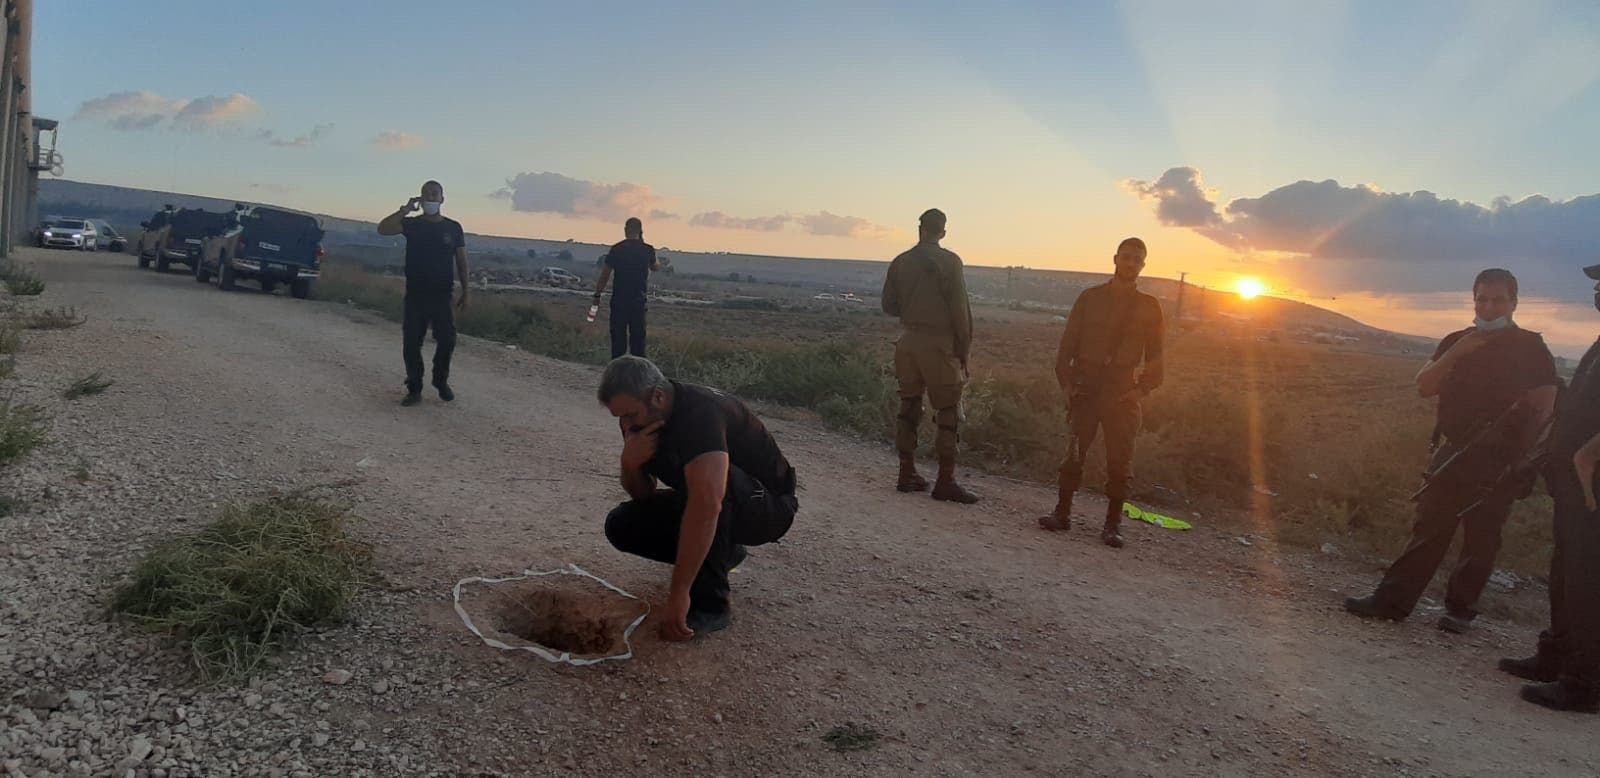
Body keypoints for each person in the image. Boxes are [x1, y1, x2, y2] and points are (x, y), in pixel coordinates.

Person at [1345, 269, 1558, 632]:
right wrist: (1458, 351)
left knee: (1482, 537)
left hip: (1500, 460)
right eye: (1482, 299)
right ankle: (1392, 602)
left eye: (1498, 300)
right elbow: (1425, 386)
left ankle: (1460, 611)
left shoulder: (1531, 348)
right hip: (1454, 451)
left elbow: (1544, 408)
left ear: (1514, 303)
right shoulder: (1456, 340)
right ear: (1473, 300)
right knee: (1428, 528)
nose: (1489, 308)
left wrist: (1523, 462)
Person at [599, 356, 799, 639]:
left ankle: (711, 606)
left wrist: (679, 592)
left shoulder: (701, 414)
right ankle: (723, 554)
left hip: (769, 510)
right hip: (717, 500)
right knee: (621, 524)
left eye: (630, 415)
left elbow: (707, 505)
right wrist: (629, 464)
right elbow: (644, 494)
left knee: (711, 488)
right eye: (618, 417)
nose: (626, 424)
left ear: (658, 396)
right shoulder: (639, 423)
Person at [1501, 262, 1600, 713]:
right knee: (1566, 571)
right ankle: (1557, 655)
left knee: (1588, 577)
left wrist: (1586, 455)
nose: (1598, 291)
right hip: (1572, 478)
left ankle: (1584, 683)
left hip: (1591, 479)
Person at [1037, 238, 1165, 548]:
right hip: (1087, 386)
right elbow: (1067, 346)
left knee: (1120, 461)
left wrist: (1140, 391)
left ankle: (1112, 525)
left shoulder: (1149, 307)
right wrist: (1067, 385)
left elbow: (1156, 358)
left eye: (1137, 259)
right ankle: (1062, 513)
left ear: (1143, 265)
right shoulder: (1090, 298)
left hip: (1121, 391)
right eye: (1126, 257)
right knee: (1073, 454)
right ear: (1115, 258)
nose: (1130, 263)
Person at [880, 208, 978, 503]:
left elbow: (889, 305)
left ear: (919, 228)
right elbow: (960, 310)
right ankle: (945, 481)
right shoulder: (950, 262)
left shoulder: (900, 261)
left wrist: (915, 308)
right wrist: (963, 347)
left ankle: (906, 472)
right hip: (939, 344)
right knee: (948, 411)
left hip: (908, 341)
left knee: (909, 406)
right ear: (943, 232)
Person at [377, 180, 469, 406]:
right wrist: (405, 210)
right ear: (420, 198)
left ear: (442, 199)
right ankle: (414, 388)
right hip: (416, 295)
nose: (430, 198)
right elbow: (383, 229)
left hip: (442, 295)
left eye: (434, 194)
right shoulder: (412, 224)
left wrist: (467, 291)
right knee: (411, 344)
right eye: (426, 194)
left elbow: (461, 260)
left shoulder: (453, 228)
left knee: (447, 340)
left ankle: (440, 380)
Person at [593, 217, 660, 359]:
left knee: (618, 341)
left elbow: (605, 275)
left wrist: (597, 295)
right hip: (638, 300)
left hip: (619, 300)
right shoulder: (648, 249)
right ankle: (638, 371)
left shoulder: (617, 249)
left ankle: (617, 370)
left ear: (625, 230)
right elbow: (655, 267)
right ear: (640, 231)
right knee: (638, 342)